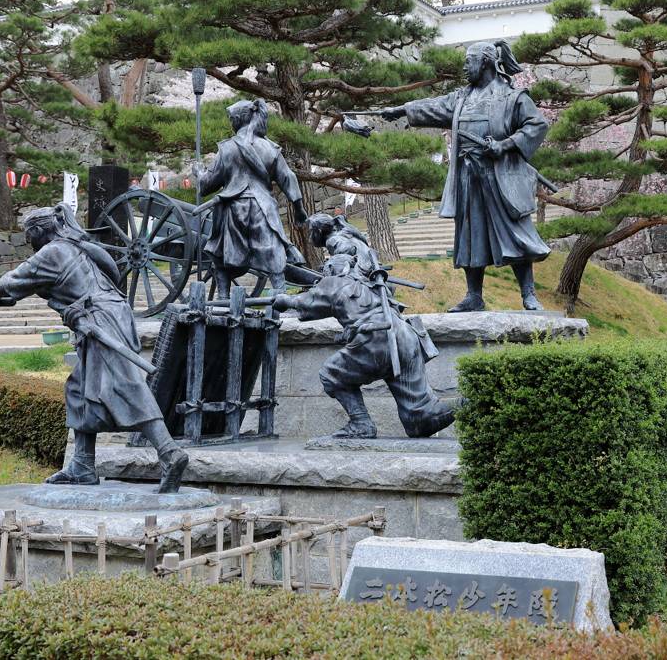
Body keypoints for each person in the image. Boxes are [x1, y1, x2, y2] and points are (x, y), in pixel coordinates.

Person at [0, 204, 189, 493]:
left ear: (38, 232)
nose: (29, 244)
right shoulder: (78, 246)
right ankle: (83, 465)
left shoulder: (52, 252)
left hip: (98, 320)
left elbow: (11, 282)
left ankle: (169, 452)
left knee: (123, 385)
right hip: (105, 316)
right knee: (79, 388)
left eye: (28, 237)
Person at [375, 40, 551, 312]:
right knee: (470, 233)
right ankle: (474, 295)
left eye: (469, 61)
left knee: (515, 232)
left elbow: (537, 124)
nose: (464, 67)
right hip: (468, 175)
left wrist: (504, 145)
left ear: (485, 62)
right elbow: (432, 107)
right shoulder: (461, 98)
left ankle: (528, 294)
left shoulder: (512, 97)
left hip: (498, 175)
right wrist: (401, 109)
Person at [273, 254, 454, 439]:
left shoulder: (334, 282)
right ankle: (466, 404)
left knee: (331, 374)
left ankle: (361, 424)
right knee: (418, 420)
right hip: (407, 336)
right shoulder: (373, 284)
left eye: (326, 268)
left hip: (377, 337)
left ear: (333, 268)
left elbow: (306, 303)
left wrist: (283, 300)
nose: (324, 273)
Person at [199, 98, 309, 297]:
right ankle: (280, 296)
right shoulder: (270, 148)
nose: (230, 122)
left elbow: (208, 183)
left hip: (233, 207)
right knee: (270, 249)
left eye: (231, 119)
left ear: (238, 120)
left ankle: (223, 298)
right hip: (262, 206)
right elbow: (287, 177)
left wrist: (199, 174)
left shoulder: (227, 148)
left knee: (224, 252)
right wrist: (298, 207)